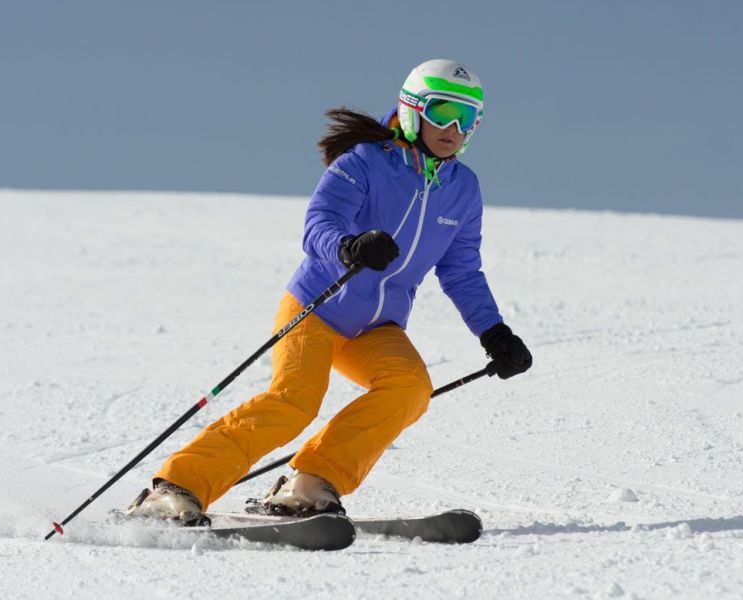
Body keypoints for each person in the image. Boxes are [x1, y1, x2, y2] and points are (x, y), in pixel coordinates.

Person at [128, 59, 532, 524]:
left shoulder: (463, 189)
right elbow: (319, 224)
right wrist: (347, 247)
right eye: (442, 111)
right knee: (294, 401)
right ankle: (175, 487)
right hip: (317, 306)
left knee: (410, 388)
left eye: (466, 119)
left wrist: (494, 333)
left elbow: (462, 273)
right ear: (411, 110)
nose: (453, 128)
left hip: (376, 326)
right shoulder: (365, 162)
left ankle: (310, 482)